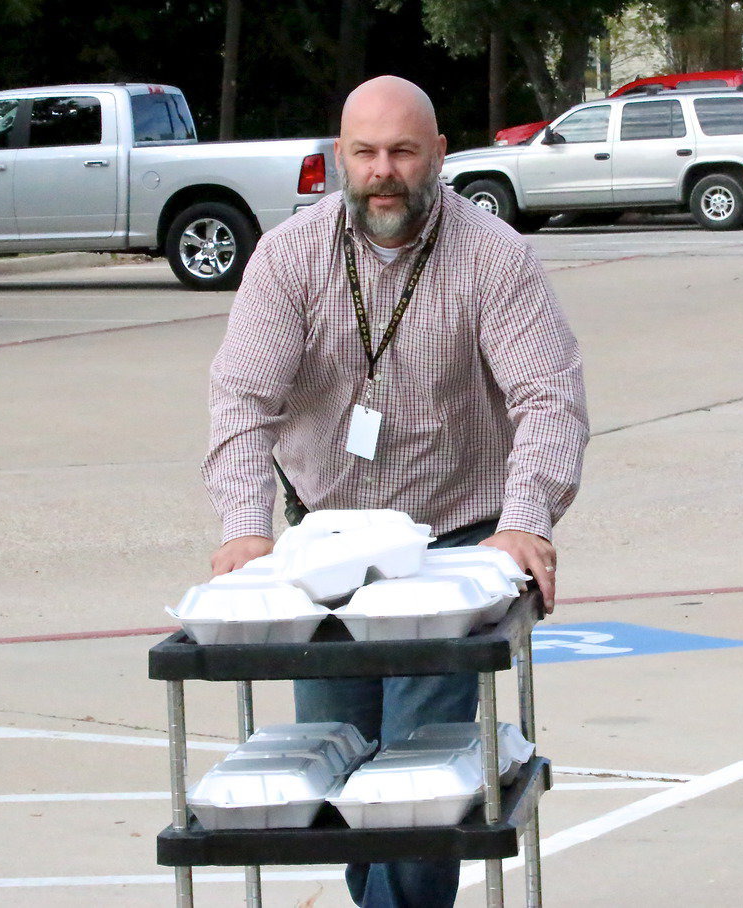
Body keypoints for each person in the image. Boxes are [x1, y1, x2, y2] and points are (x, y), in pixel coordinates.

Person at [202, 75, 588, 907]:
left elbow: (549, 398)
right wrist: (245, 529)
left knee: (420, 780)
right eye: (367, 152)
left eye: (404, 151)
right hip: (326, 550)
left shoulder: (496, 257)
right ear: (339, 156)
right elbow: (242, 398)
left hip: (453, 544)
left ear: (439, 155)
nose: (385, 171)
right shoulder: (288, 257)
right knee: (339, 767)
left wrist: (524, 522)